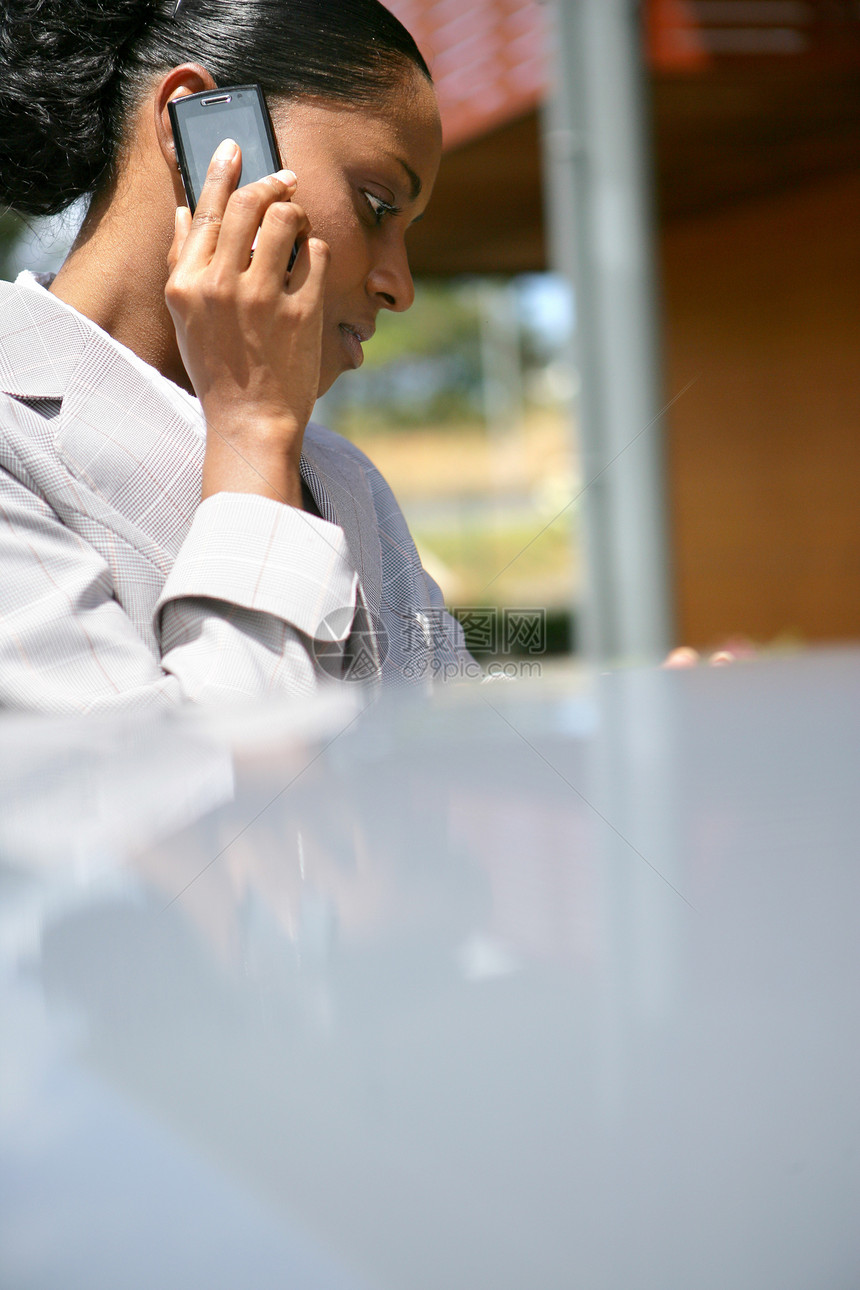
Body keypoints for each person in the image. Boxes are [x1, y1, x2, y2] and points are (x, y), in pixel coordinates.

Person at [0, 0, 471, 713]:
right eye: (377, 203)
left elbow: (455, 750)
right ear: (205, 129)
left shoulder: (345, 481)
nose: (397, 286)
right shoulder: (15, 447)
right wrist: (250, 434)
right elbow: (170, 800)